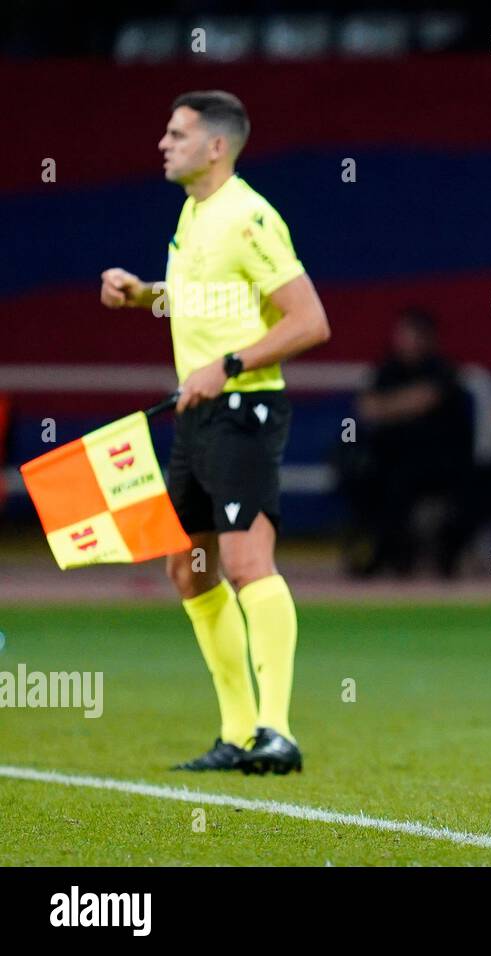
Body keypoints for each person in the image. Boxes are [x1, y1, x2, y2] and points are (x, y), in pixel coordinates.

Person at [99, 90, 330, 773]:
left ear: (216, 146)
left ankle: (277, 732)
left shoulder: (249, 216)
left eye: (177, 134)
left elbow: (310, 321)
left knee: (246, 562)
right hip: (194, 415)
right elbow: (212, 298)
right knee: (188, 570)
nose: (163, 144)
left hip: (244, 412)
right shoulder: (194, 214)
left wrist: (228, 366)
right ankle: (235, 734)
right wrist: (144, 295)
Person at [341, 308, 474, 577]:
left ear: (427, 338)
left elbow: (426, 398)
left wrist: (390, 406)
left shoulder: (442, 370)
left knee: (402, 483)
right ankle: (376, 553)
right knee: (359, 475)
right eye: (402, 335)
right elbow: (367, 408)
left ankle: (404, 555)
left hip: (436, 462)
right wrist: (403, 403)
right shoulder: (388, 369)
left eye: (412, 335)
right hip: (389, 457)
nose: (405, 341)